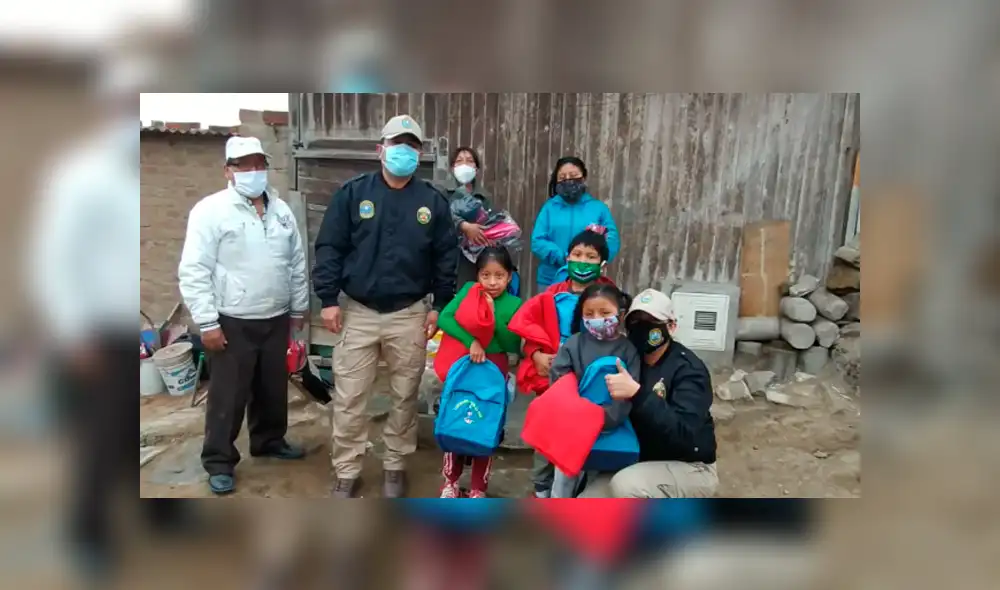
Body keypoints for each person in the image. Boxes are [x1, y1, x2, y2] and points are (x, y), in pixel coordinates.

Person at [312, 114, 459, 498]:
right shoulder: (353, 194)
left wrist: (438, 306)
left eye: (411, 145)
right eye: (397, 144)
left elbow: (446, 258)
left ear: (420, 153)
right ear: (381, 149)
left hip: (409, 314)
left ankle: (395, 465)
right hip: (358, 311)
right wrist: (328, 299)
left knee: (405, 394)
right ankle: (346, 469)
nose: (404, 152)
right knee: (349, 396)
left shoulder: (432, 202)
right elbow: (330, 247)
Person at [178, 136, 310, 495]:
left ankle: (268, 440)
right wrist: (207, 322)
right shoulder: (211, 211)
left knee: (272, 388)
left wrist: (298, 308)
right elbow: (194, 270)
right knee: (228, 395)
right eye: (244, 165)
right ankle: (219, 460)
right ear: (228, 170)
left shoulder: (281, 210)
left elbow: (296, 262)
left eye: (258, 164)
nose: (253, 171)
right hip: (232, 319)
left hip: (276, 315)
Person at [509, 226, 618, 497]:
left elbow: (618, 338)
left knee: (583, 440)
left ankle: (579, 493)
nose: (582, 260)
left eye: (590, 256)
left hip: (591, 382)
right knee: (546, 437)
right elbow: (529, 332)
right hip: (552, 379)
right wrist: (535, 354)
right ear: (567, 257)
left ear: (602, 263)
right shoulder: (549, 296)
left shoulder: (610, 297)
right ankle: (542, 490)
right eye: (577, 253)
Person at [580, 289, 718, 498]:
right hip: (639, 459)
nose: (642, 328)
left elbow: (685, 434)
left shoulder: (689, 369)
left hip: (690, 465)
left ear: (671, 327)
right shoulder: (630, 359)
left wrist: (638, 394)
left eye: (651, 321)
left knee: (626, 486)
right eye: (635, 322)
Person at [434, 247, 522, 498]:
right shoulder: (468, 292)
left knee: (487, 426)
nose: (492, 282)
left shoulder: (515, 304)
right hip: (465, 367)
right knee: (455, 420)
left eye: (499, 276)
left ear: (509, 277)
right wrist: (471, 340)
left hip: (494, 371)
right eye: (485, 275)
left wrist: (492, 318)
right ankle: (450, 483)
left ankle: (477, 488)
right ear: (477, 275)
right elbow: (445, 319)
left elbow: (513, 344)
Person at [547, 283, 641, 498]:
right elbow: (559, 381)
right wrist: (578, 415)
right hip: (572, 428)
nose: (597, 318)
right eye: (589, 313)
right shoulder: (573, 344)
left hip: (610, 430)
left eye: (605, 313)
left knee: (597, 482)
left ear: (621, 313)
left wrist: (603, 419)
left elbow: (629, 392)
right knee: (563, 482)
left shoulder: (628, 349)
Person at [531, 157, 621, 292]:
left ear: (583, 178)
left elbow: (611, 239)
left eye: (573, 176)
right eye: (562, 177)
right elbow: (537, 241)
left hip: (589, 279)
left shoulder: (598, 209)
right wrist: (564, 257)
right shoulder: (549, 208)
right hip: (551, 279)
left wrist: (589, 259)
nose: (568, 180)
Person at [440, 146, 495, 287]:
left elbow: (492, 222)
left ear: (476, 169)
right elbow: (439, 218)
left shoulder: (484, 197)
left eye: (469, 161)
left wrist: (492, 235)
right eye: (459, 161)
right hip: (446, 256)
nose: (464, 165)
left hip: (474, 262)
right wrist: (463, 226)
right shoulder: (442, 193)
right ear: (452, 168)